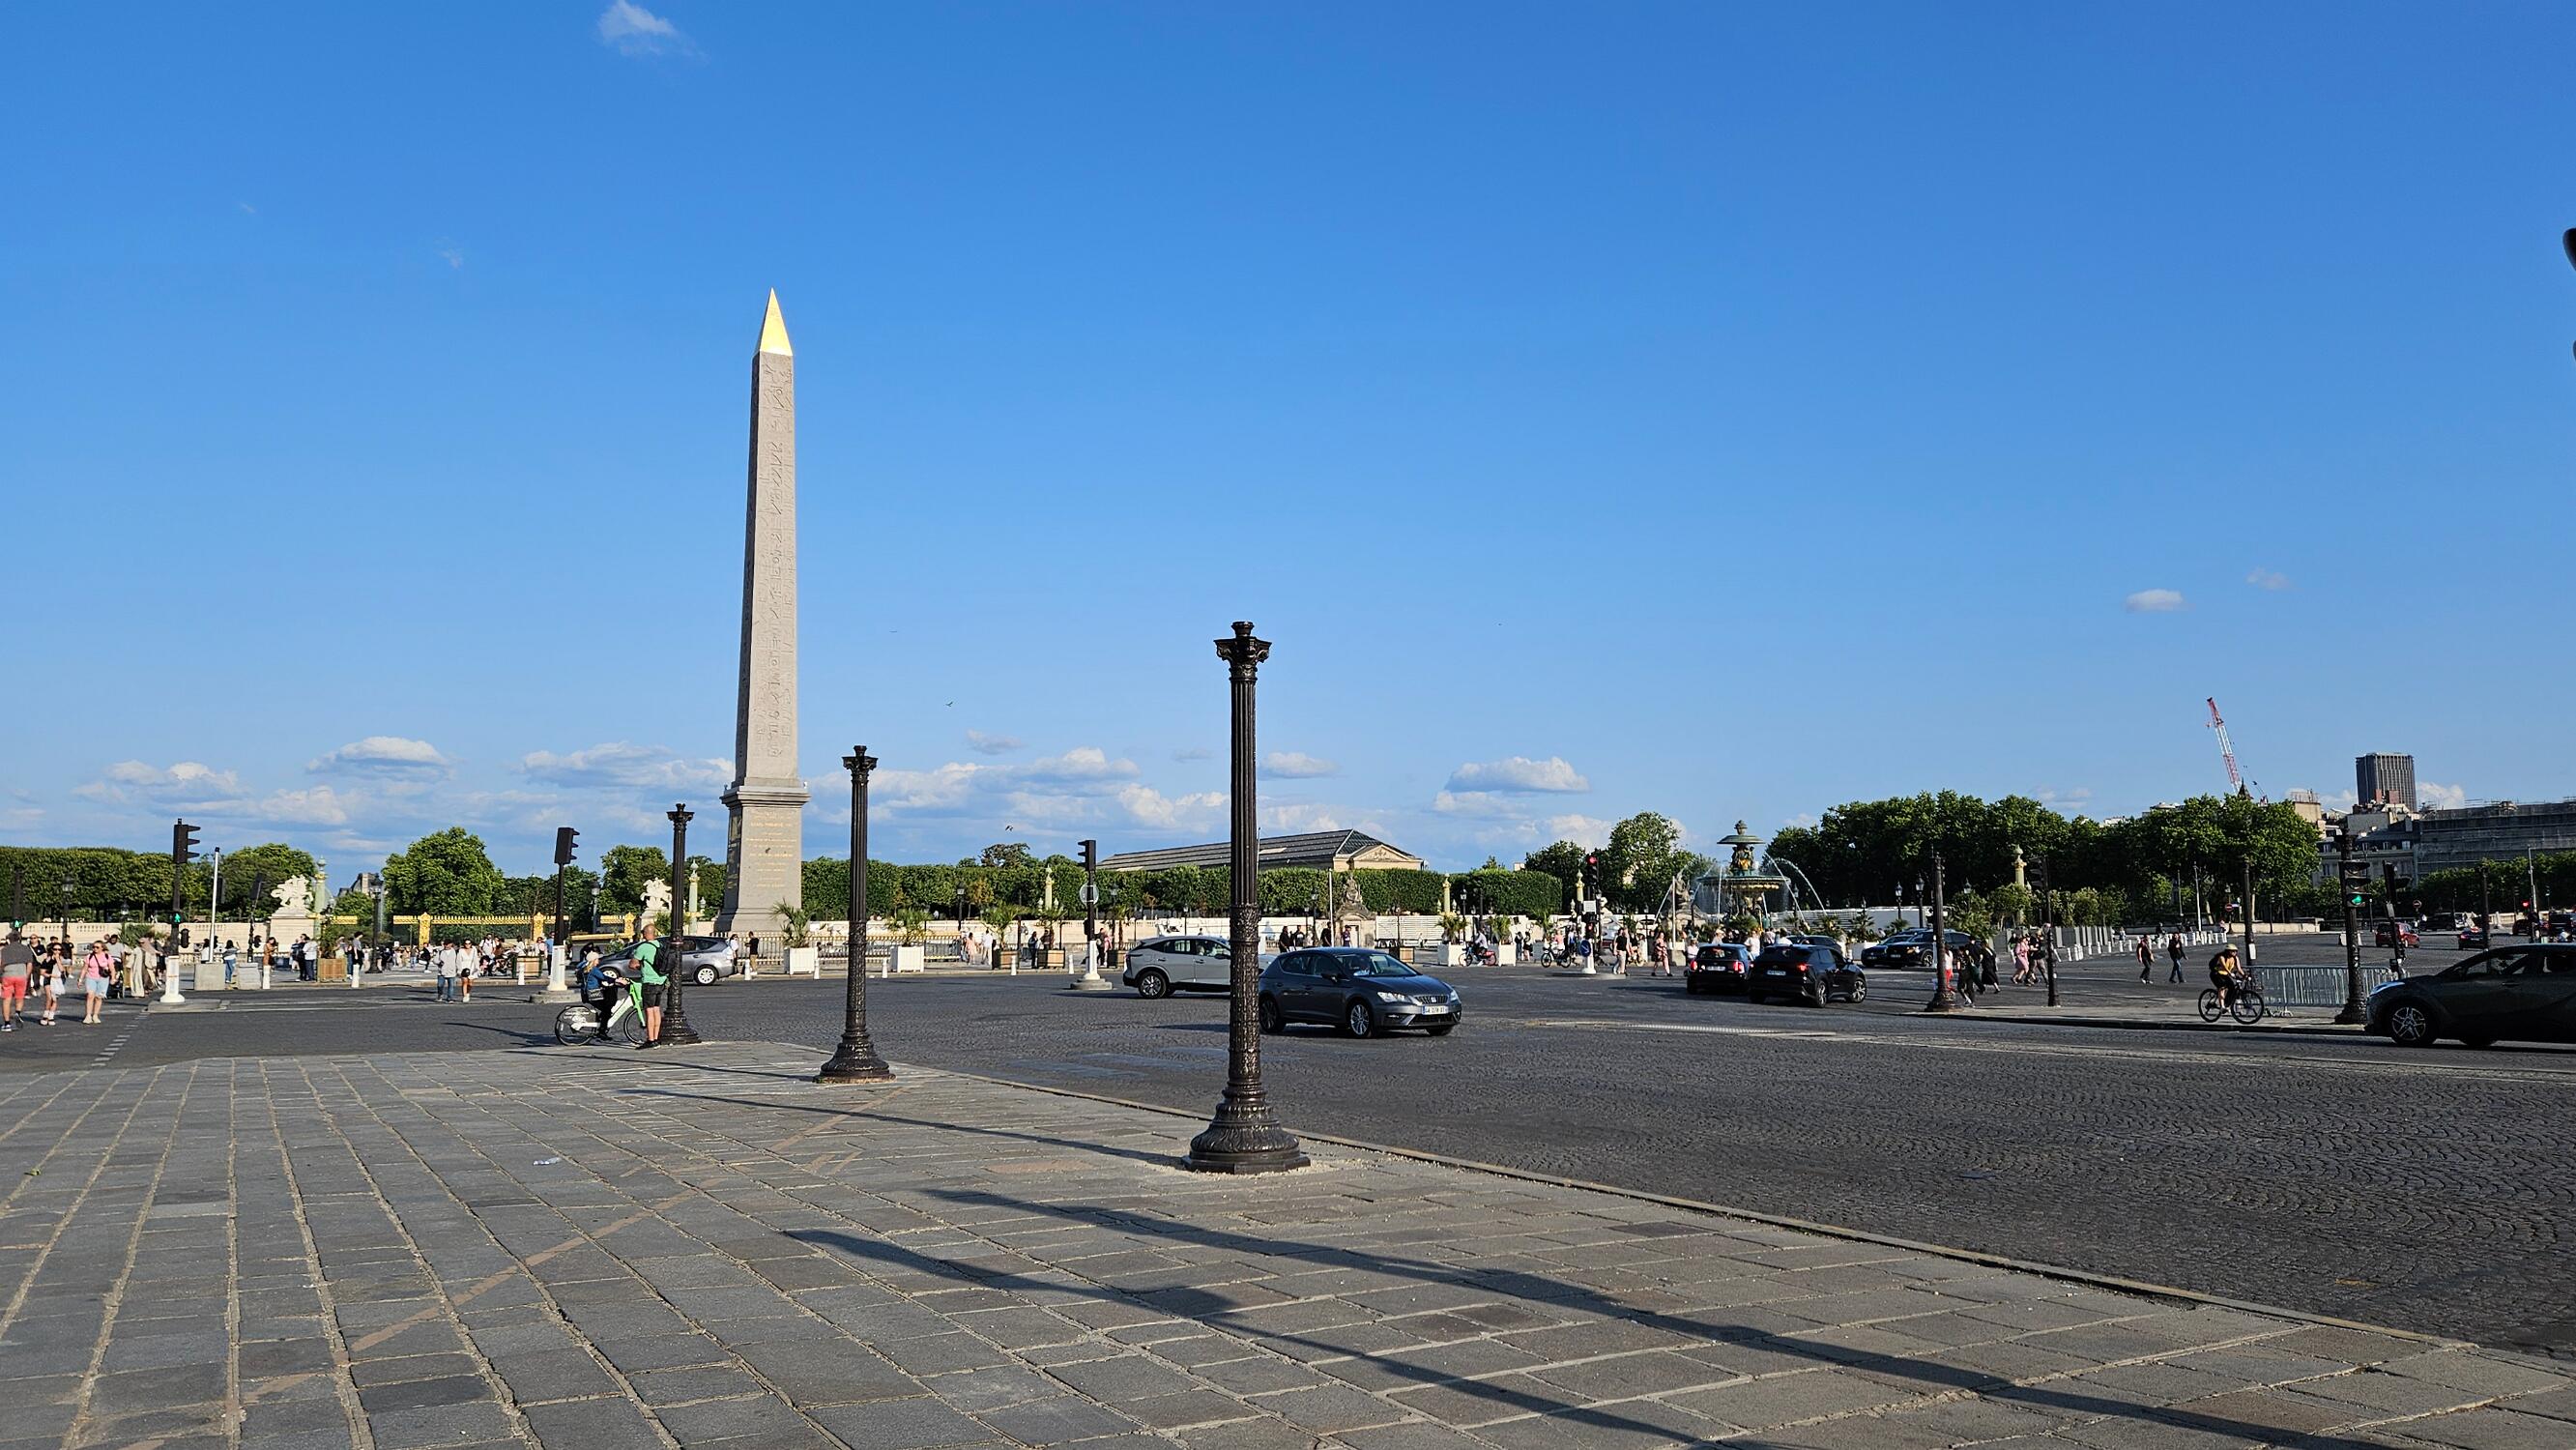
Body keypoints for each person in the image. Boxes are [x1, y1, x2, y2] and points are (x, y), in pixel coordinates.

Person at [631, 934, 666, 1047]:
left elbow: (632, 964)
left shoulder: (643, 947)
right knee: (656, 1009)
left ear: (645, 934)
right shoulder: (661, 945)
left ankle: (650, 1040)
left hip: (649, 982)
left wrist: (641, 967)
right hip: (661, 981)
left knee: (649, 1011)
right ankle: (656, 1038)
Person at [0, 932, 31, 1031]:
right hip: (21, 974)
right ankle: (17, 1012)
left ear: (9, 940)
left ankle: (7, 1023)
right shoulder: (26, 949)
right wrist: (26, 976)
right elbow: (29, 964)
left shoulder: (4, 950)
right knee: (19, 997)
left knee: (6, 999)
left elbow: (0, 963)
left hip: (8, 974)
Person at [2209, 943, 2247, 1010]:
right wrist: (2230, 973)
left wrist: (2244, 975)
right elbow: (2224, 966)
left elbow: (2239, 969)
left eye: (2236, 951)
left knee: (2232, 988)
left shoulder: (2235, 958)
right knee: (2222, 987)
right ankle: (2222, 1007)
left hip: (2224, 975)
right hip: (2216, 974)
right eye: (2233, 951)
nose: (2235, 952)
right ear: (2228, 951)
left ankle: (2226, 1003)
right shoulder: (2222, 957)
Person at [80, 944, 112, 1025]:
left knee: (98, 997)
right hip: (91, 977)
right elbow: (84, 969)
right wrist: (80, 979)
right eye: (94, 947)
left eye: (97, 947)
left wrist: (113, 978)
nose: (95, 949)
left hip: (103, 979)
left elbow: (112, 968)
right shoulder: (89, 956)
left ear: (102, 948)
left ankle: (95, 1015)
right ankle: (88, 1015)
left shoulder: (107, 956)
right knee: (90, 995)